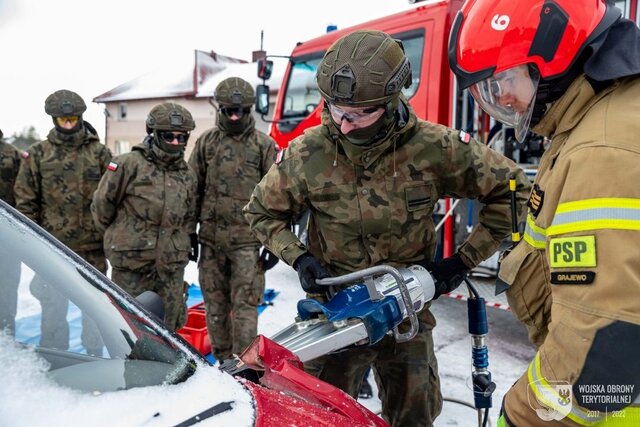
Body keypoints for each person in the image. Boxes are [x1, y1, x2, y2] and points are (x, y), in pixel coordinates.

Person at [244, 29, 530, 427]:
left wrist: (461, 262)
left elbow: (515, 190)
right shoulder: (307, 153)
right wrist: (300, 257)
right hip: (336, 318)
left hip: (407, 318)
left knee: (415, 417)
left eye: (358, 114)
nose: (343, 125)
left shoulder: (435, 148)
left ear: (391, 100)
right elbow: (261, 212)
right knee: (320, 417)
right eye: (335, 110)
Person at [449, 0, 640, 425]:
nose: (505, 101)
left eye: (504, 82)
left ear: (553, 58)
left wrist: (522, 415)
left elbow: (600, 350)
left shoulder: (602, 150)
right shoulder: (589, 117)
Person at [14, 90, 111, 355]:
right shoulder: (38, 154)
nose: (68, 125)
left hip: (92, 250)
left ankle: (96, 358)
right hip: (52, 249)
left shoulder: (99, 153)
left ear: (80, 118)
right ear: (54, 120)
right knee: (52, 310)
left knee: (96, 310)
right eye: (62, 120)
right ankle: (55, 359)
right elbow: (26, 202)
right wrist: (32, 244)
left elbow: (111, 200)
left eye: (72, 119)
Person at [188, 77, 277, 361]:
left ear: (249, 109)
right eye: (229, 110)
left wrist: (273, 242)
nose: (234, 115)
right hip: (211, 242)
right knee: (214, 306)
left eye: (239, 110)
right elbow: (192, 189)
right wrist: (191, 232)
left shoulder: (263, 145)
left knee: (245, 306)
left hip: (247, 244)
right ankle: (224, 361)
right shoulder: (207, 142)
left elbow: (277, 197)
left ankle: (246, 364)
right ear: (221, 109)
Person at [91, 102, 197, 331]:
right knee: (130, 328)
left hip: (170, 267)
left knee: (170, 329)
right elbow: (102, 208)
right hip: (133, 265)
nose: (176, 143)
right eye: (169, 136)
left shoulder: (187, 174)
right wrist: (122, 239)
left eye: (182, 137)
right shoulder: (127, 164)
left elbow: (188, 216)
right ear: (154, 134)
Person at [0, 128, 22, 335]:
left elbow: (24, 194)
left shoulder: (12, 154)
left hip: (5, 238)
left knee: (6, 294)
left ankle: (7, 343)